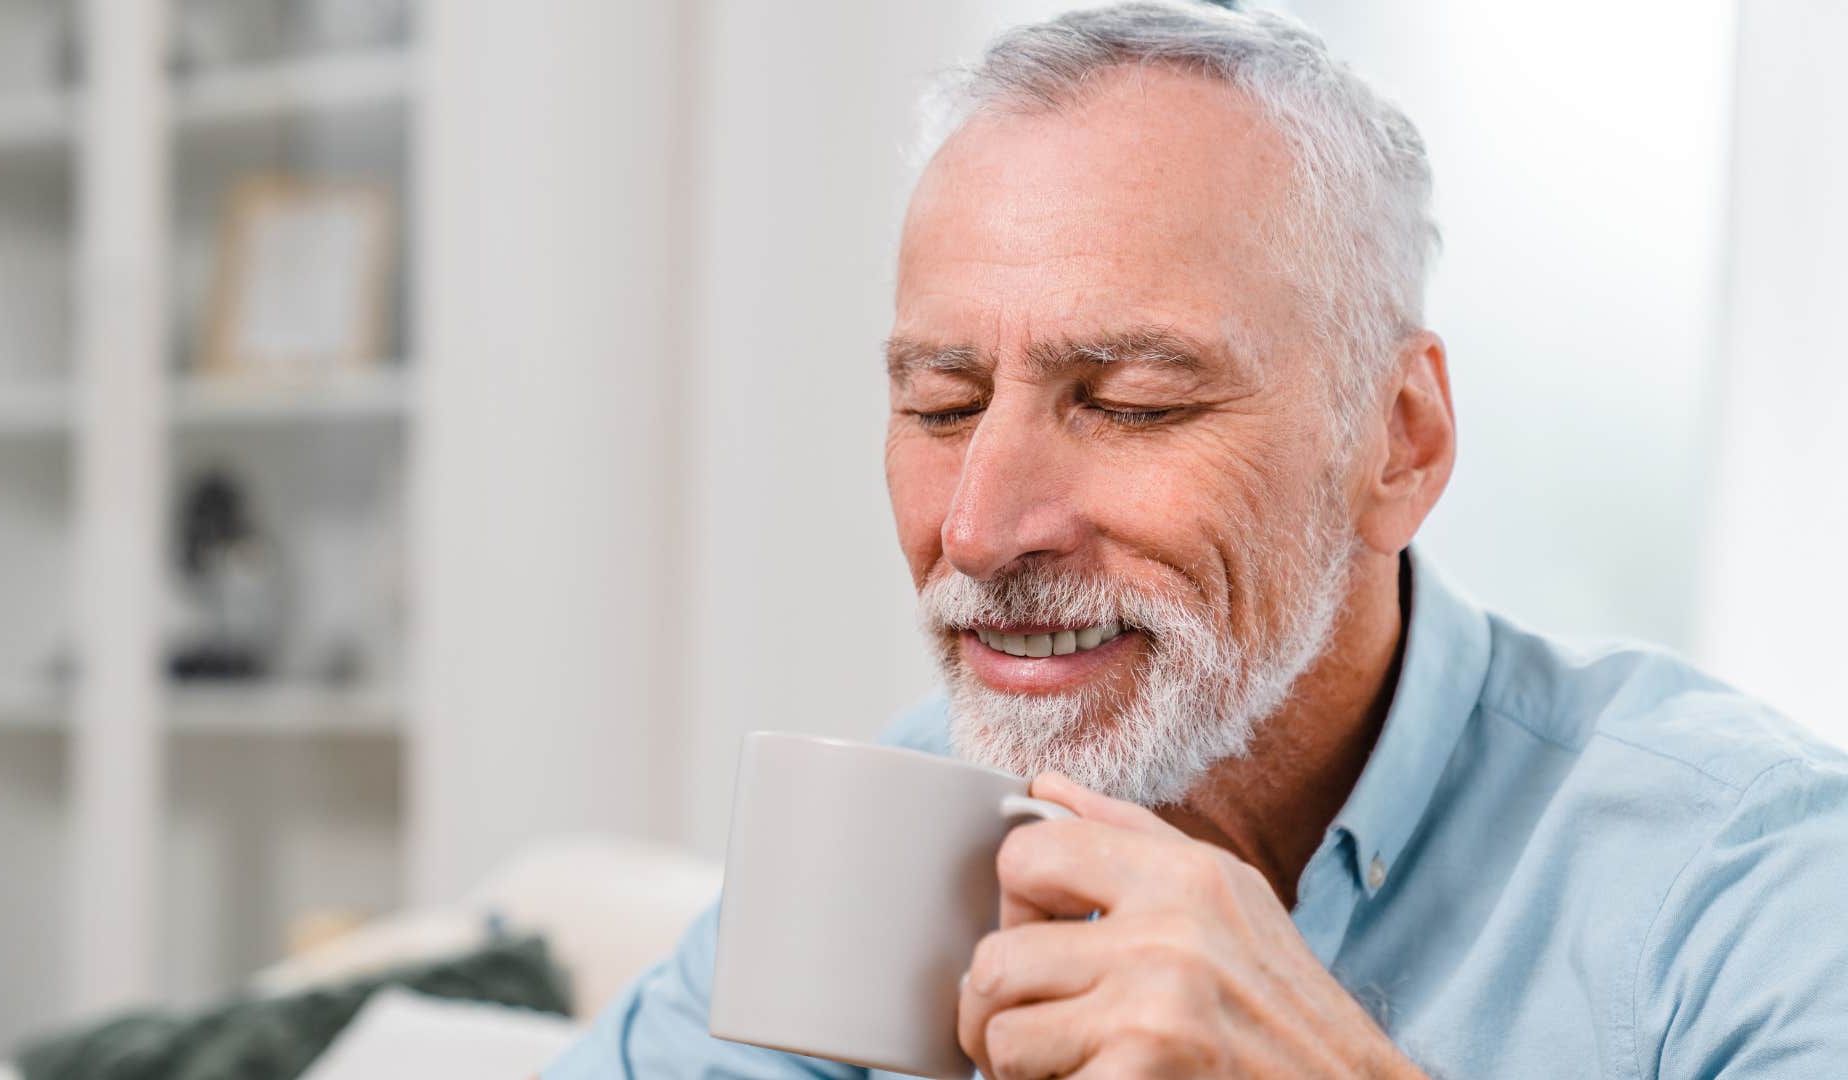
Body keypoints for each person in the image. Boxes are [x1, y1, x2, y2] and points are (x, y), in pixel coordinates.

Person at [546, 3, 1848, 1077]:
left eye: (1131, 404)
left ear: (1400, 444)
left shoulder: (1751, 877)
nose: (981, 531)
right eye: (941, 405)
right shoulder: (898, 828)